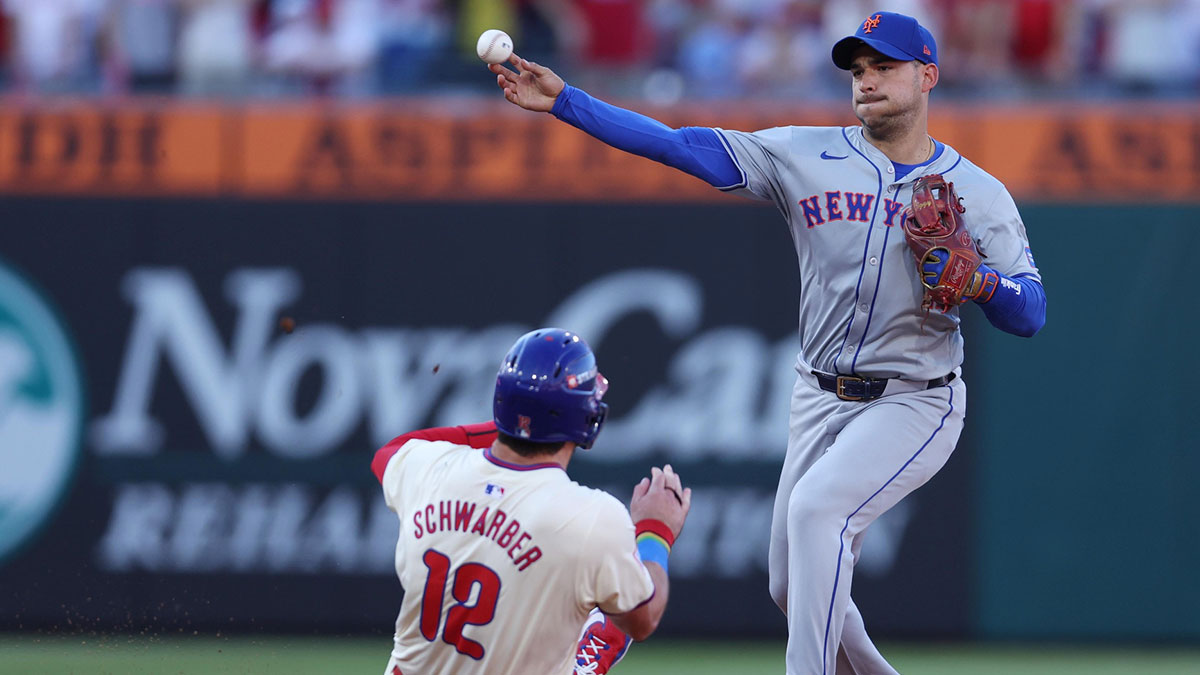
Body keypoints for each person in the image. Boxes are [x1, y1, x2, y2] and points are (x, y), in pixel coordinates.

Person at [488, 11, 1046, 675]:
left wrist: (980, 281)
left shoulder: (978, 194)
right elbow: (677, 145)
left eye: (884, 67)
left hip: (914, 401)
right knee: (794, 585)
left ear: (927, 75)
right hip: (818, 394)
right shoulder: (805, 155)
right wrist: (566, 102)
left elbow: (1030, 311)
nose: (866, 80)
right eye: (858, 69)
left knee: (818, 513)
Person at [371, 327, 691, 675]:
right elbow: (643, 618)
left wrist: (516, 422)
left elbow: (390, 451)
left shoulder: (429, 469)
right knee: (604, 625)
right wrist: (656, 532)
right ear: (584, 417)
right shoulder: (591, 518)